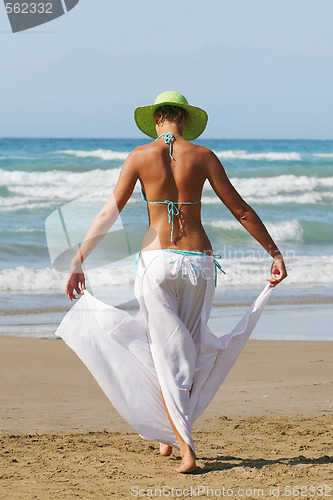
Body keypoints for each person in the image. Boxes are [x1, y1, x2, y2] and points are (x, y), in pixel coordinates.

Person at [59, 91, 287, 474]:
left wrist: (78, 258)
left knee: (164, 349)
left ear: (156, 119)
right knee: (189, 349)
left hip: (156, 263)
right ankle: (169, 434)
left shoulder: (139, 156)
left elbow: (108, 211)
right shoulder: (204, 156)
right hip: (200, 264)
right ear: (183, 120)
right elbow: (241, 210)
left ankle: (185, 448)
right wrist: (274, 253)